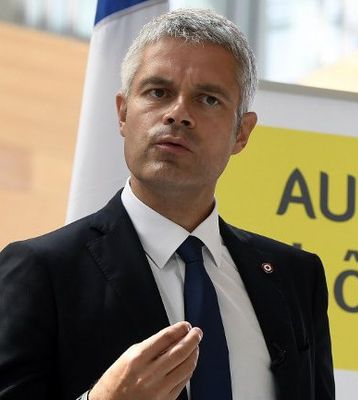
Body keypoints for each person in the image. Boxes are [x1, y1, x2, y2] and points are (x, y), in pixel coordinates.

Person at [0, 8, 334, 400]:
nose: (178, 113)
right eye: (158, 92)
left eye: (208, 99)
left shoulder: (295, 279)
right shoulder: (40, 271)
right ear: (123, 113)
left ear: (241, 133)